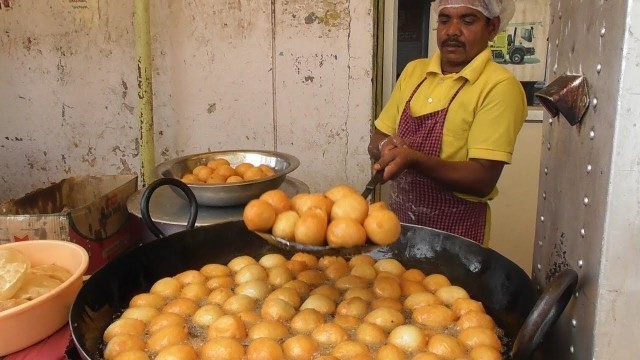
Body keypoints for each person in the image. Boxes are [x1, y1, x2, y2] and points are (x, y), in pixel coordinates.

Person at [367, 0, 526, 245]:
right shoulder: (414, 71)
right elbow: (378, 137)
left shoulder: (499, 86)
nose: (452, 31)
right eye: (444, 20)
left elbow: (482, 180)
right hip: (399, 230)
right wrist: (383, 148)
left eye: (467, 20)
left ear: (492, 27)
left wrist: (413, 159)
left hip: (456, 242)